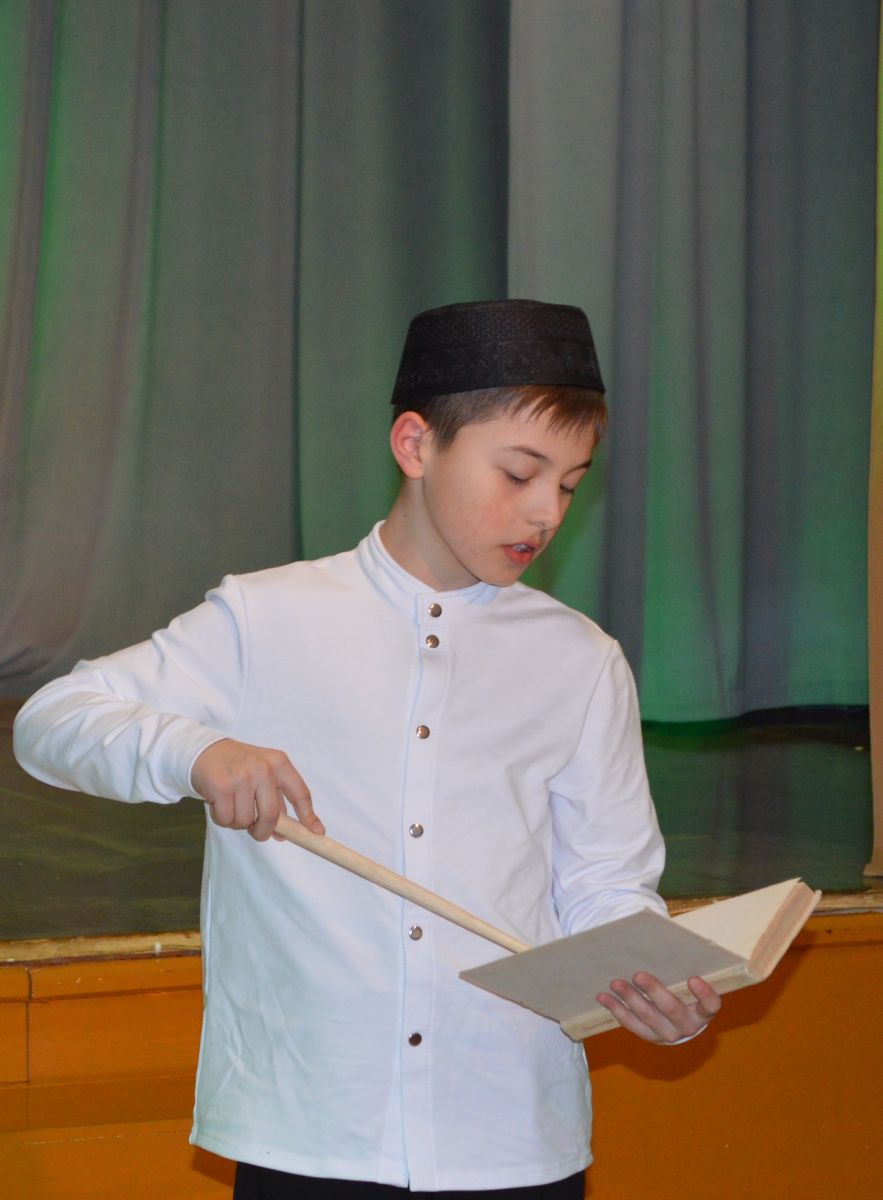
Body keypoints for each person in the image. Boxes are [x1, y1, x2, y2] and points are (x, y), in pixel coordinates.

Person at [13, 300, 720, 1200]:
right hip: (310, 1131)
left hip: (508, 1133)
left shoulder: (579, 659)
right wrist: (193, 751)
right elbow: (52, 720)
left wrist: (651, 985)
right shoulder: (268, 616)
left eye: (571, 484)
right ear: (415, 445)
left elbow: (605, 881)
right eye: (518, 472)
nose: (545, 511)